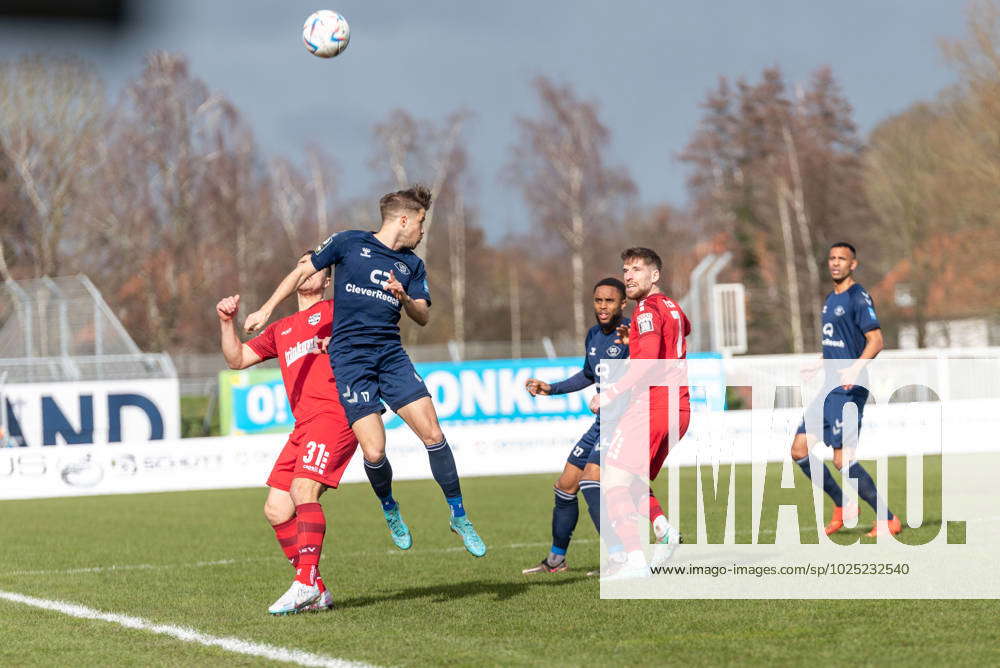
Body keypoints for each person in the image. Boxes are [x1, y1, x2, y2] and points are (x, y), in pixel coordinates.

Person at [244, 185, 486, 557]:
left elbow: (422, 316)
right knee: (374, 452)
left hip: (390, 355)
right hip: (352, 362)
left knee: (434, 433)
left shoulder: (412, 265)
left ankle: (458, 514)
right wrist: (264, 310)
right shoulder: (348, 243)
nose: (422, 230)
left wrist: (404, 298)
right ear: (403, 220)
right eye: (421, 222)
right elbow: (300, 272)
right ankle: (390, 508)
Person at [217, 251, 355, 615]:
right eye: (301, 265)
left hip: (334, 415)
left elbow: (374, 332)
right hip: (303, 426)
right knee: (277, 509)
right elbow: (237, 360)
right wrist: (226, 322)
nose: (308, 271)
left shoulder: (338, 311)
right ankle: (317, 589)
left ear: (326, 280)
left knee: (302, 490)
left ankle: (304, 582)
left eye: (317, 267)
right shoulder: (282, 329)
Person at [590, 247, 691, 578]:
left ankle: (635, 561)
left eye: (636, 269)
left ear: (655, 275)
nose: (628, 276)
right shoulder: (672, 306)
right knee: (631, 477)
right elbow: (683, 328)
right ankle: (663, 530)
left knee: (612, 481)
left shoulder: (646, 310)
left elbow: (647, 363)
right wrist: (635, 338)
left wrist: (611, 393)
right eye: (625, 269)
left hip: (652, 404)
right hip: (680, 407)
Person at [791, 242, 902, 537]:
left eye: (842, 259)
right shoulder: (830, 299)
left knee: (843, 459)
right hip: (828, 387)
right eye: (832, 258)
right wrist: (819, 362)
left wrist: (856, 368)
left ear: (853, 265)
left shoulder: (857, 296)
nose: (835, 263)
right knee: (799, 450)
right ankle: (843, 504)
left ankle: (888, 519)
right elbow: (838, 342)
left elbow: (876, 340)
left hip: (849, 389)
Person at [521, 278, 632, 574]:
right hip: (601, 422)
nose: (603, 306)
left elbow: (644, 372)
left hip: (624, 421)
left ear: (623, 304)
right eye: (598, 300)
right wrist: (551, 388)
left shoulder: (630, 334)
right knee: (565, 486)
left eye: (610, 301)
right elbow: (587, 374)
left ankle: (620, 557)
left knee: (590, 482)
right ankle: (557, 560)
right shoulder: (594, 335)